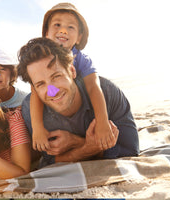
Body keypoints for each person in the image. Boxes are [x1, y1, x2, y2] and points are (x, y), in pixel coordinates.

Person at [17, 37, 139, 168]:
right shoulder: (30, 110)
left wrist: (76, 143)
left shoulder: (107, 92)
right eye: (40, 84)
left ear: (72, 71)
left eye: (56, 76)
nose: (52, 91)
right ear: (34, 89)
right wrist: (87, 147)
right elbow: (51, 161)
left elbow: (130, 151)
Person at [30, 2, 115, 152]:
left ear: (78, 37)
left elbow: (94, 87)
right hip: (58, 109)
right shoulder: (40, 60)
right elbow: (36, 94)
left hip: (81, 108)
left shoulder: (82, 59)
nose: (63, 30)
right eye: (57, 25)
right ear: (46, 33)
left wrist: (102, 122)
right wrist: (37, 128)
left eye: (71, 27)